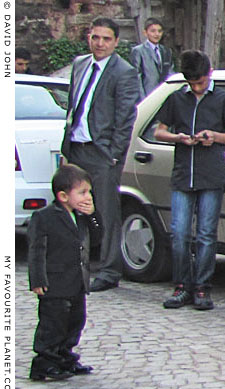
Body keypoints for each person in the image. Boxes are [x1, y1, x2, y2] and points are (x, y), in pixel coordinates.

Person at [155, 50, 225, 311]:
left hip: (211, 174)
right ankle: (181, 285)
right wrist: (179, 138)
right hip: (183, 174)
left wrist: (213, 136)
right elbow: (159, 131)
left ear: (209, 74)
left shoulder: (223, 99)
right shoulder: (177, 99)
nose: (196, 87)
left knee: (206, 234)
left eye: (200, 82)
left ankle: (203, 286)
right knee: (179, 232)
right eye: (191, 83)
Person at [61, 17, 140, 292]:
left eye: (106, 39)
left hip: (102, 153)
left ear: (116, 42)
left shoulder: (124, 72)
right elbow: (73, 105)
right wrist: (66, 147)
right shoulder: (81, 64)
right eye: (95, 37)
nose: (100, 43)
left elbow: (126, 117)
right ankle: (78, 266)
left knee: (105, 212)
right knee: (73, 210)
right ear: (88, 38)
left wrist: (114, 154)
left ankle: (109, 270)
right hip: (76, 148)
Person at [28, 164, 102, 381]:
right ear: (63, 196)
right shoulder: (44, 217)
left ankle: (65, 357)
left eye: (89, 192)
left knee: (75, 321)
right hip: (54, 282)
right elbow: (36, 250)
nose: (87, 197)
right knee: (53, 324)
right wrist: (37, 279)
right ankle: (44, 362)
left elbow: (97, 238)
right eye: (82, 192)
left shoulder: (82, 217)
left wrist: (93, 215)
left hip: (77, 281)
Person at [130, 17, 175, 99]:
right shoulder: (139, 51)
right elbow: (137, 77)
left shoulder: (166, 51)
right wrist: (142, 99)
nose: (157, 34)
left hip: (164, 94)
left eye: (159, 31)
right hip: (147, 95)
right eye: (153, 31)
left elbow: (170, 72)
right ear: (145, 33)